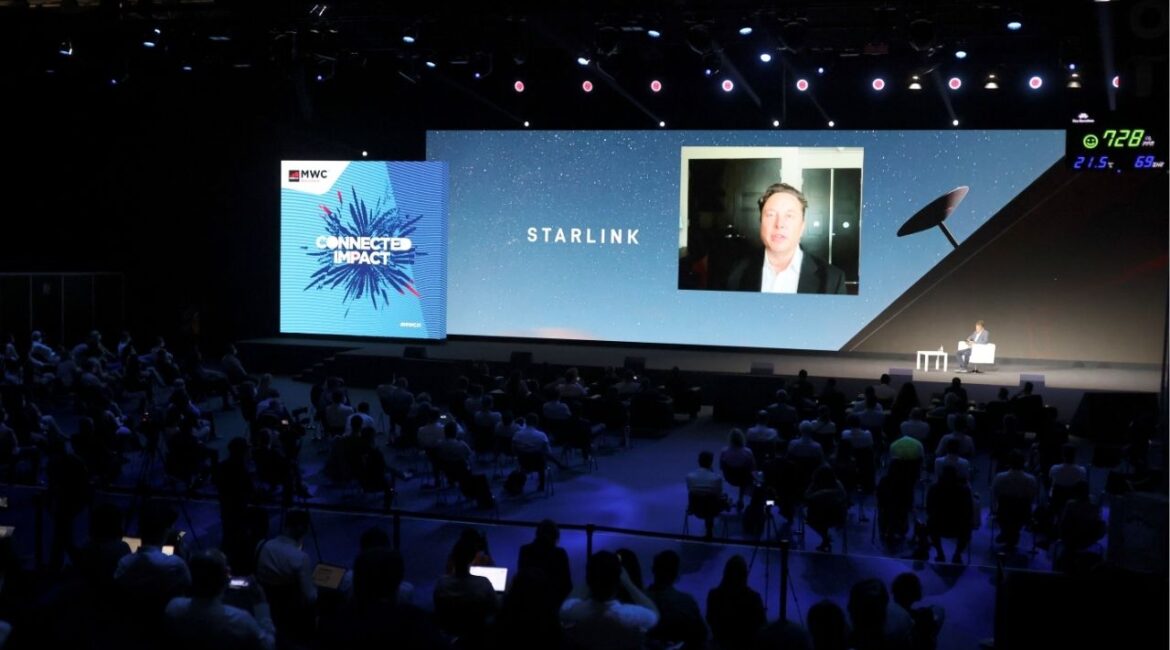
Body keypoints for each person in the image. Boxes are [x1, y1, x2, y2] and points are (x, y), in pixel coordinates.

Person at [725, 182, 847, 294]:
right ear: (761, 222)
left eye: (789, 216)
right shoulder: (734, 273)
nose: (779, 224)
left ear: (802, 226)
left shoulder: (832, 279)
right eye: (771, 215)